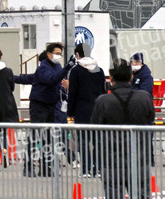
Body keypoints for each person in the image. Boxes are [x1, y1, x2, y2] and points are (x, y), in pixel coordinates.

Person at [91, 59, 154, 199]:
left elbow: (95, 126)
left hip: (111, 159)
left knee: (113, 193)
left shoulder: (103, 101)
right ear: (131, 76)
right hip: (139, 157)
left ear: (111, 77)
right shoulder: (144, 98)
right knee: (141, 194)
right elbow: (150, 120)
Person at [16, 44, 74, 176]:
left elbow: (58, 82)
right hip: (39, 105)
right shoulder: (43, 67)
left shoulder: (57, 67)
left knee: (49, 137)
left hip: (51, 105)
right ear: (49, 54)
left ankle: (45, 167)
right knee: (35, 136)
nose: (59, 56)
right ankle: (28, 167)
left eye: (60, 53)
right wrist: (67, 68)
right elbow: (51, 80)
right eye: (56, 53)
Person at [66, 43, 107, 177]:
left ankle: (86, 170)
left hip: (81, 109)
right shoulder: (99, 70)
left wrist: (70, 112)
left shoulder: (76, 71)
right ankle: (98, 169)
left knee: (83, 140)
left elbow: (72, 93)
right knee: (98, 140)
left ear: (77, 54)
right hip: (98, 109)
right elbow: (103, 91)